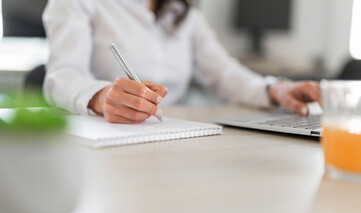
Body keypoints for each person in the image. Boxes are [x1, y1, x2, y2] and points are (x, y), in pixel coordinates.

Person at [43, 0, 320, 124]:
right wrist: (101, 97)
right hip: (107, 139)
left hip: (169, 135)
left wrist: (274, 90)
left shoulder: (183, 12)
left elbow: (224, 74)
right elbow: (61, 78)